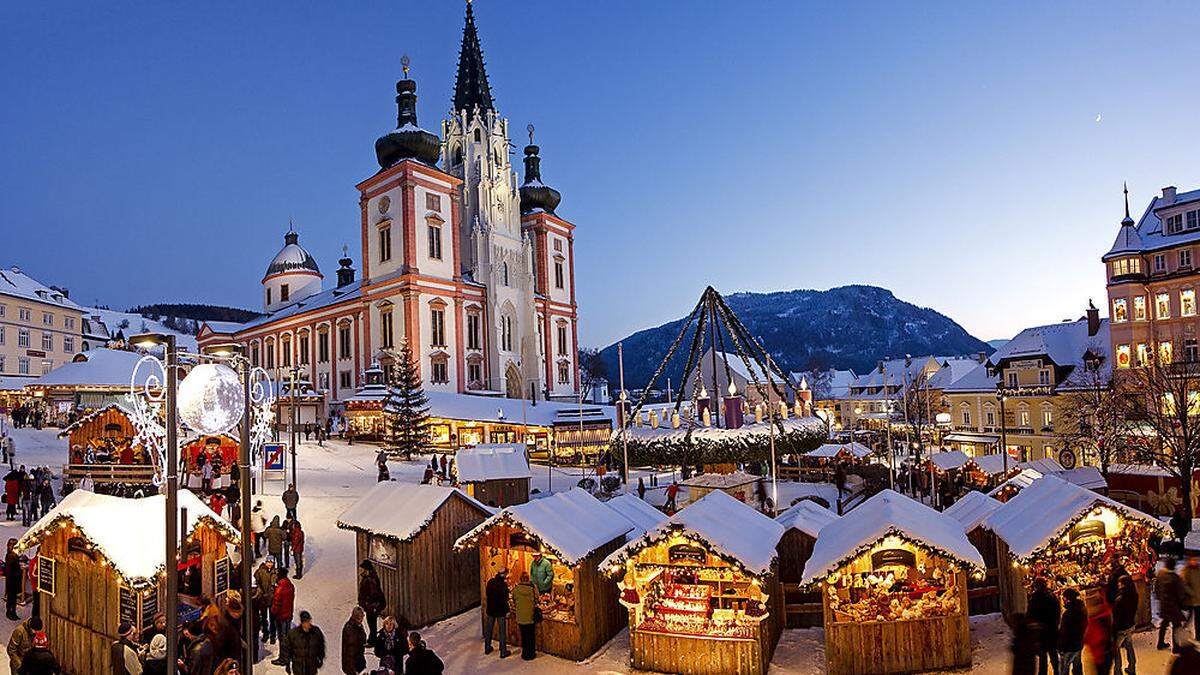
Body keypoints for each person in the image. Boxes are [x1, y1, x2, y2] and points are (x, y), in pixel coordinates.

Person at [1026, 577, 1060, 675]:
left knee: (1043, 657)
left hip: (1041, 632)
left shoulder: (1034, 599)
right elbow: (1058, 612)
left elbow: (1030, 615)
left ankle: (1044, 673)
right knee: (1053, 654)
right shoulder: (1052, 597)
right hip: (1052, 630)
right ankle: (1057, 672)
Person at [277, 610, 326, 675]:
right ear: (302, 622)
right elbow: (286, 649)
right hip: (298, 668)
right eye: (305, 622)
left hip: (311, 668)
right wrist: (287, 663)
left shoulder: (316, 632)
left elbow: (321, 645)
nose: (307, 624)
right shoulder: (293, 634)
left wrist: (321, 658)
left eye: (308, 621)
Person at [1158, 557, 1187, 650]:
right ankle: (1176, 647)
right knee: (1176, 626)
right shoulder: (1175, 578)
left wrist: (1160, 598)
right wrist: (1183, 605)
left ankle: (1160, 642)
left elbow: (1157, 588)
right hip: (1174, 606)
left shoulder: (1161, 575)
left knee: (1164, 623)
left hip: (1164, 604)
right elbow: (1180, 594)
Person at [1112, 574, 1138, 675]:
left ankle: (1118, 671)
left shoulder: (1120, 599)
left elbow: (1116, 617)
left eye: (1119, 583)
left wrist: (1114, 631)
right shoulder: (1134, 595)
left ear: (1122, 584)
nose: (1118, 585)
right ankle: (1132, 668)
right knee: (1129, 647)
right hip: (1130, 625)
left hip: (1121, 628)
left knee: (1116, 650)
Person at [1058, 587, 1086, 675]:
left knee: (1064, 668)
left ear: (1068, 599)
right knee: (1077, 665)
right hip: (1079, 642)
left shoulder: (1068, 614)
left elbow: (1064, 632)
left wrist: (1060, 647)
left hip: (1068, 646)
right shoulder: (1082, 609)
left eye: (1064, 597)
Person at [357, 561, 386, 644]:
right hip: (371, 606)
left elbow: (373, 593)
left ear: (366, 569)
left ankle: (372, 640)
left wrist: (368, 604)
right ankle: (372, 639)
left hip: (372, 606)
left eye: (362, 569)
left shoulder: (370, 579)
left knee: (372, 623)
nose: (361, 570)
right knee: (372, 623)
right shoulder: (370, 577)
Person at [1084, 594, 1114, 675]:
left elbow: (1094, 638)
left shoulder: (1095, 620)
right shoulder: (1106, 613)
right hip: (1107, 652)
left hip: (1099, 655)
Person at [511, 572, 538, 661]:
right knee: (531, 636)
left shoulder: (516, 589)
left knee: (524, 635)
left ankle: (525, 653)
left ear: (520, 579)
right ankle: (531, 653)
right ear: (528, 579)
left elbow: (514, 599)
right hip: (530, 616)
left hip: (521, 616)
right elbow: (537, 599)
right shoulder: (533, 588)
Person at [483, 570, 510, 657]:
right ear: (504, 575)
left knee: (489, 629)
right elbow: (505, 599)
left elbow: (487, 594)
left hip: (491, 609)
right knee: (502, 631)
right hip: (501, 611)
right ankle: (503, 651)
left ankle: (487, 647)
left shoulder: (490, 582)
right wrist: (507, 610)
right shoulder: (503, 585)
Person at [253, 557, 277, 644]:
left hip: (272, 598)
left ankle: (273, 636)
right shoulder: (261, 570)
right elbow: (257, 579)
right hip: (263, 598)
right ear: (266, 562)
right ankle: (265, 634)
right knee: (264, 618)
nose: (270, 564)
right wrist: (260, 589)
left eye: (271, 562)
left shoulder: (275, 572)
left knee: (272, 618)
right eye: (268, 562)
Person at [271, 567, 296, 647]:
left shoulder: (280, 588)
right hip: (288, 614)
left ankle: (283, 657)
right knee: (287, 635)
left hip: (281, 615)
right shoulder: (290, 585)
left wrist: (273, 611)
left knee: (282, 637)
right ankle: (288, 655)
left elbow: (277, 603)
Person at [341, 606, 367, 675]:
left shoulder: (358, 625)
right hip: (352, 663)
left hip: (357, 661)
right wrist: (352, 668)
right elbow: (350, 650)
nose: (362, 619)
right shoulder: (350, 628)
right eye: (360, 617)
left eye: (362, 616)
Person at [1183, 554, 1200, 637]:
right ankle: (1182, 635)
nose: (1195, 561)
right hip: (1190, 600)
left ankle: (1198, 637)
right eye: (1193, 559)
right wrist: (1191, 593)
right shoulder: (1186, 570)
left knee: (1198, 620)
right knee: (1187, 619)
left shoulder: (1198, 569)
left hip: (1198, 600)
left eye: (1196, 559)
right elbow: (1184, 584)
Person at [6, 537, 23, 619]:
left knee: (13, 597)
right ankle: (9, 612)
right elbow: (12, 568)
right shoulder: (10, 555)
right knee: (11, 597)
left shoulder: (12, 555)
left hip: (14, 580)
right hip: (12, 580)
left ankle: (13, 612)